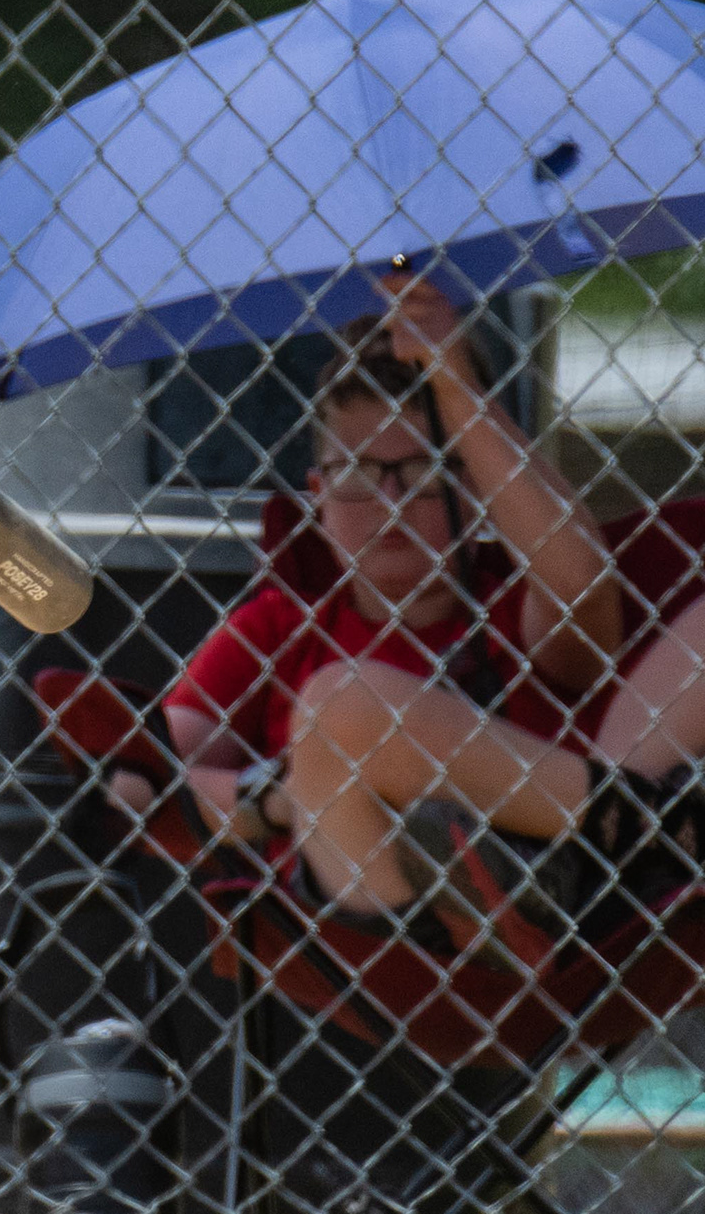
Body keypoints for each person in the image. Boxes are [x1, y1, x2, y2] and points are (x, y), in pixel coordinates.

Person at [124, 278, 705, 928]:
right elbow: (134, 785)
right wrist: (279, 799)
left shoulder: (513, 610)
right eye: (356, 472)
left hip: (558, 915)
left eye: (425, 471)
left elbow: (582, 589)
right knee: (341, 709)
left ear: (476, 488)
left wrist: (458, 390)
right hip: (379, 925)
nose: (391, 503)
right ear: (316, 494)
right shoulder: (278, 627)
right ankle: (642, 828)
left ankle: (578, 848)